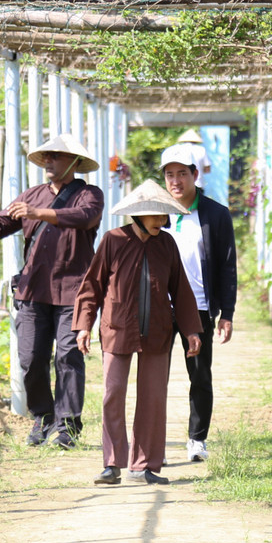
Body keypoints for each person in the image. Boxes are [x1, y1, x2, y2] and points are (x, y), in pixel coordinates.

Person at [0, 133, 103, 449]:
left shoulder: (89, 194)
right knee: (31, 358)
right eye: (47, 157)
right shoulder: (33, 194)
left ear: (75, 163)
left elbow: (84, 217)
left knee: (68, 356)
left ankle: (67, 426)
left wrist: (39, 214)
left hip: (74, 290)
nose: (50, 162)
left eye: (57, 157)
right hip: (32, 290)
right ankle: (43, 415)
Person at [73, 180, 202, 486]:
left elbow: (181, 290)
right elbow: (92, 286)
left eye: (163, 215)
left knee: (153, 398)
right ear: (139, 215)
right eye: (156, 215)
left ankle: (143, 465)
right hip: (117, 329)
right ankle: (112, 463)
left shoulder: (166, 244)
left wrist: (192, 330)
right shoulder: (113, 240)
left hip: (158, 332)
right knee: (112, 394)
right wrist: (83, 325)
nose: (162, 220)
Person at [159, 142, 238, 463]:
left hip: (199, 308)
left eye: (181, 174)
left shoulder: (215, 215)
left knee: (200, 374)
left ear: (195, 175)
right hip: (161, 308)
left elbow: (227, 266)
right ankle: (155, 443)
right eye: (169, 175)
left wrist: (227, 313)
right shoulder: (155, 212)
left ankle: (197, 439)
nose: (175, 181)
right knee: (154, 376)